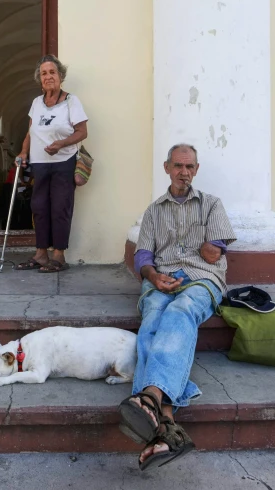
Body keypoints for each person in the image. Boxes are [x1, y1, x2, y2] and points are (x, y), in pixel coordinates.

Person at [119, 144, 236, 471]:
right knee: (154, 316)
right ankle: (166, 426)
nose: (184, 172)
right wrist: (153, 276)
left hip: (201, 278)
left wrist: (212, 247)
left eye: (190, 167)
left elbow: (217, 249)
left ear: (196, 170)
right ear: (167, 167)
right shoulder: (154, 210)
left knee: (180, 311)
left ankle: (149, 395)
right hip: (161, 277)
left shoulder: (212, 205)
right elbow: (143, 255)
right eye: (178, 166)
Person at [15, 55, 88, 273]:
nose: (48, 77)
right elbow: (30, 132)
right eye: (44, 73)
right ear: (40, 78)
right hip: (39, 163)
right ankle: (41, 254)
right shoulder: (37, 103)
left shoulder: (71, 101)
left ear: (60, 76)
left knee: (60, 208)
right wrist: (23, 151)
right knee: (39, 208)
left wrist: (61, 144)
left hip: (63, 161)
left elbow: (82, 132)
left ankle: (59, 255)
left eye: (52, 72)